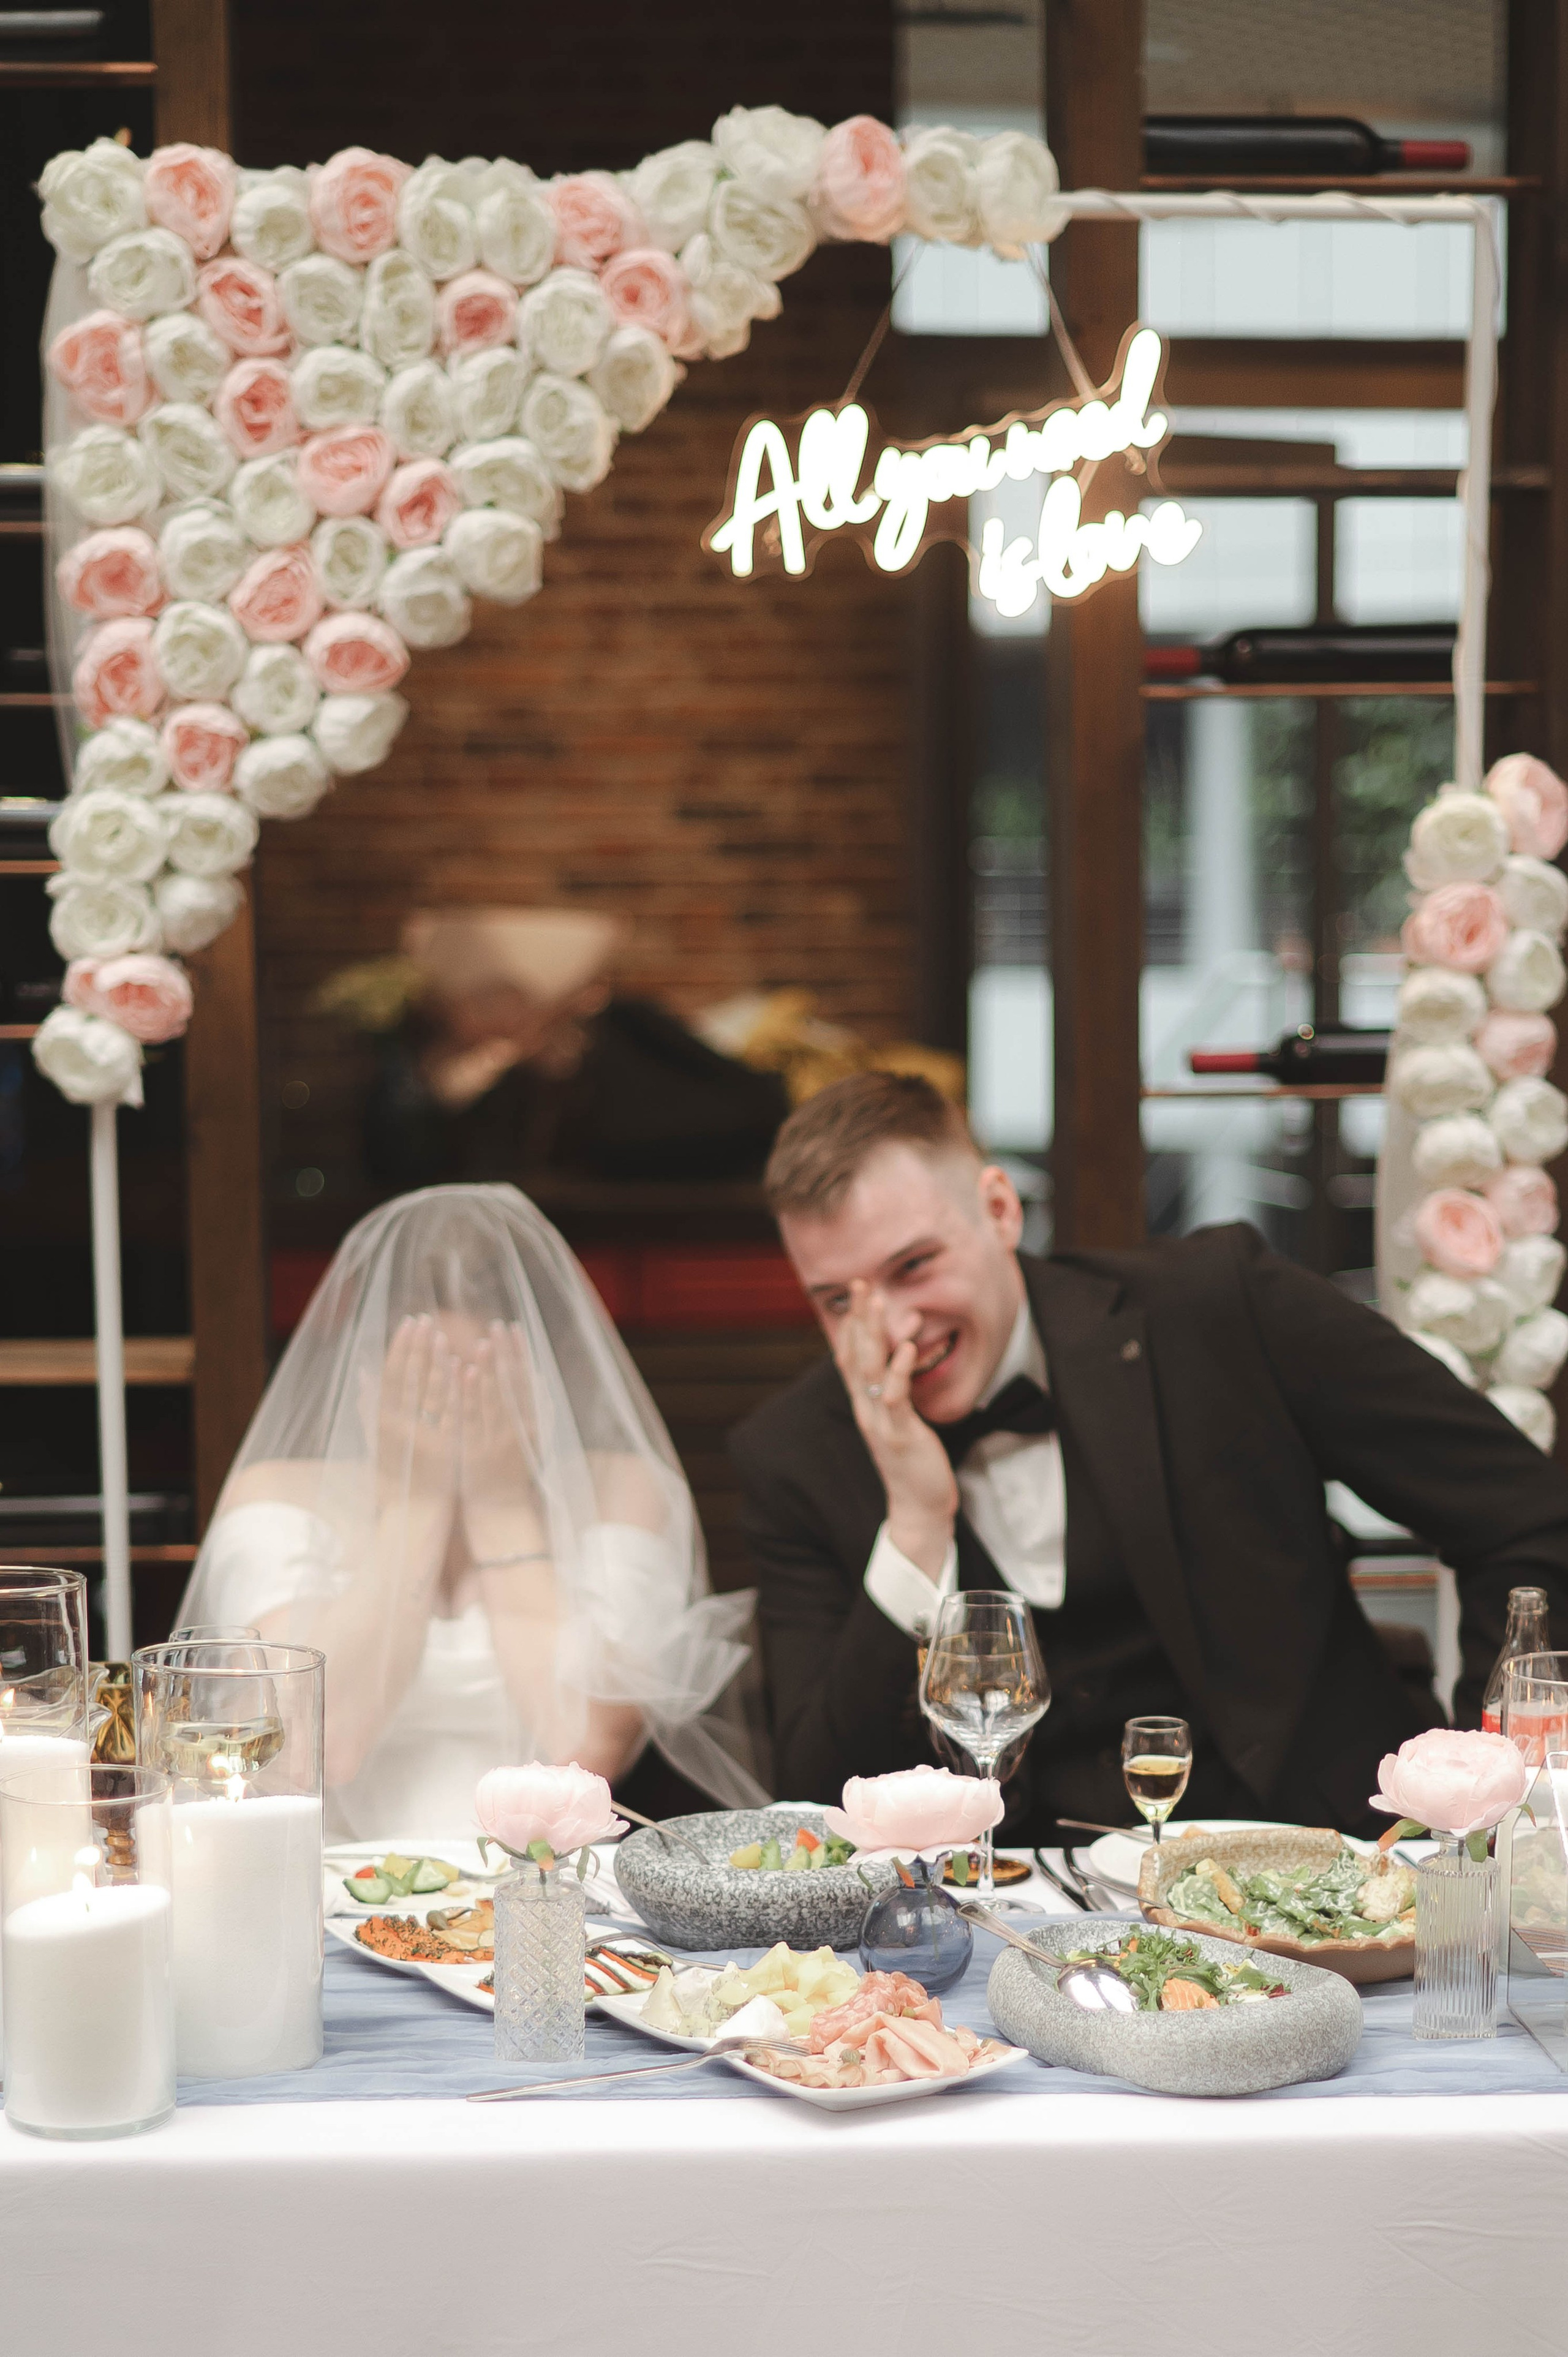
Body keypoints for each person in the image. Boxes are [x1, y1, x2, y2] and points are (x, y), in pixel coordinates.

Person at [729, 1073, 1568, 1841]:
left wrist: (1472, 1802)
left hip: (1332, 1864)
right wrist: (915, 1523)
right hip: (1016, 1939)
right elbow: (815, 1796)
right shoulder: (794, 1454)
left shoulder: (1218, 1309)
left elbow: (1525, 1519)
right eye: (840, 1302)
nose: (894, 1329)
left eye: (914, 1267)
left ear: (998, 1209)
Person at [176, 1184, 765, 1838]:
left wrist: (502, 1502)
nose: (456, 1415)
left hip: (549, 1890)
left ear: (547, 1378)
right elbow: (322, 1741)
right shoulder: (275, 1494)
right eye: (424, 1379)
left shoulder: (623, 1491)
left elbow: (590, 1749)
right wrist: (416, 1502)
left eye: (484, 1382)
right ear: (365, 1374)